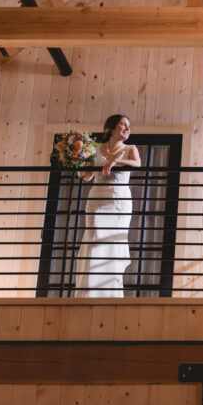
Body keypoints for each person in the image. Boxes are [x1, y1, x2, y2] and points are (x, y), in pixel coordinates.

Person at [74, 114, 141, 297]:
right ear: (112, 128)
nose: (128, 129)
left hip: (118, 201)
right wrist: (79, 161)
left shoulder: (130, 148)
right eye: (123, 125)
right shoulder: (96, 149)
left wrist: (116, 161)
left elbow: (137, 164)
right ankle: (89, 291)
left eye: (129, 126)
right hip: (97, 199)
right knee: (95, 236)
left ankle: (110, 292)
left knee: (113, 241)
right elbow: (87, 176)